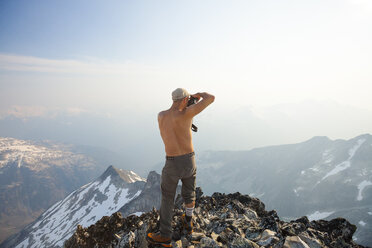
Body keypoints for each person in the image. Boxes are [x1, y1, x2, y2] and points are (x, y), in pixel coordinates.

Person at [147, 88, 215, 247]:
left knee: (167, 198)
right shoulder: (187, 114)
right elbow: (211, 98)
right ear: (185, 100)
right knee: (189, 194)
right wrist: (198, 95)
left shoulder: (161, 115)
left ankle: (165, 235)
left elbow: (173, 121)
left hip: (171, 162)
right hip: (189, 160)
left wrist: (187, 102)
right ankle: (188, 222)